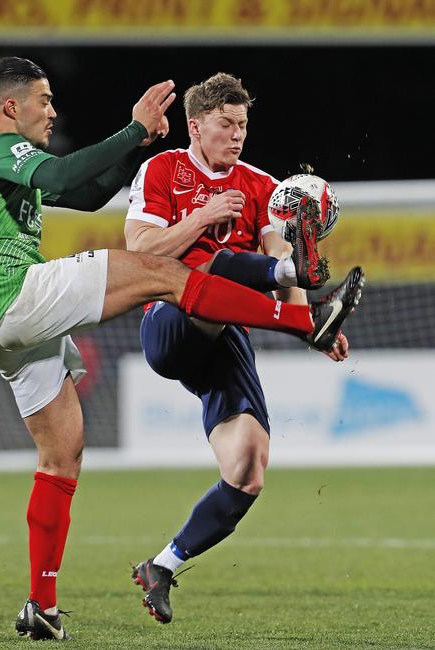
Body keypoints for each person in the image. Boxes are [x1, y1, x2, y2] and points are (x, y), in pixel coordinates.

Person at [0, 57, 361, 641]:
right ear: (11, 106)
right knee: (161, 273)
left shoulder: (260, 184)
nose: (52, 110)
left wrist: (292, 268)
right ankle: (299, 322)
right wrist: (136, 131)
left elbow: (86, 196)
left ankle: (42, 605)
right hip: (18, 295)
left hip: (3, 329)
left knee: (62, 458)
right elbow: (67, 178)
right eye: (43, 99)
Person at [125, 72, 364, 624]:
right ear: (195, 126)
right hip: (170, 319)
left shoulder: (263, 186)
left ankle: (162, 565)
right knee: (211, 266)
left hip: (229, 331)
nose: (237, 135)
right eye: (226, 124)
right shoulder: (161, 169)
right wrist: (204, 217)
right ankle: (303, 317)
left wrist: (308, 317)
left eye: (243, 125)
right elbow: (140, 250)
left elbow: (283, 267)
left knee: (247, 470)